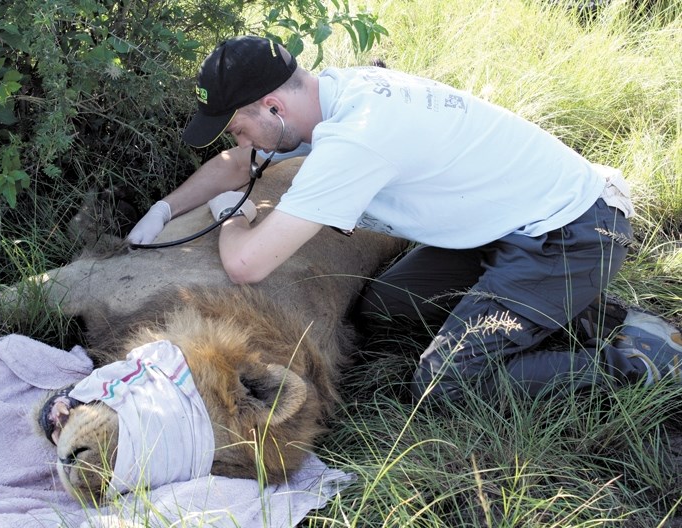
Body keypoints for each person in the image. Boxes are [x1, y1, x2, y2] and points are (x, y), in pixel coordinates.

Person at [127, 35, 682, 403]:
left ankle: (637, 360)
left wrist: (235, 215)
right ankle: (563, 308)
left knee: (445, 386)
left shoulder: (356, 138)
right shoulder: (332, 96)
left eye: (237, 124)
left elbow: (246, 263)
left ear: (272, 105)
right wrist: (165, 209)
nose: (237, 138)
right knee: (388, 308)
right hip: (503, 227)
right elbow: (238, 163)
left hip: (572, 232)